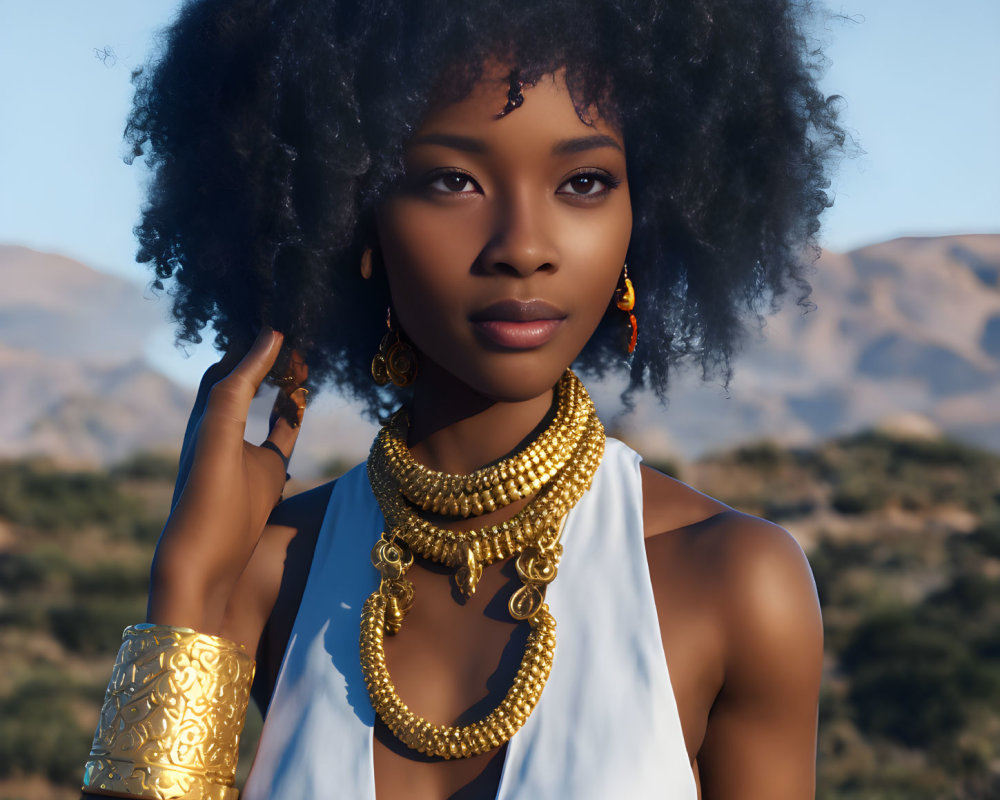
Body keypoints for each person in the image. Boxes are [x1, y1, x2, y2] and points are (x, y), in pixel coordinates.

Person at [81, 0, 844, 797]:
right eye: (453, 181)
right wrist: (188, 593)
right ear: (351, 220)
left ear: (640, 222)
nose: (523, 246)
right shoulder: (266, 573)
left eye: (583, 182)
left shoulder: (734, 579)